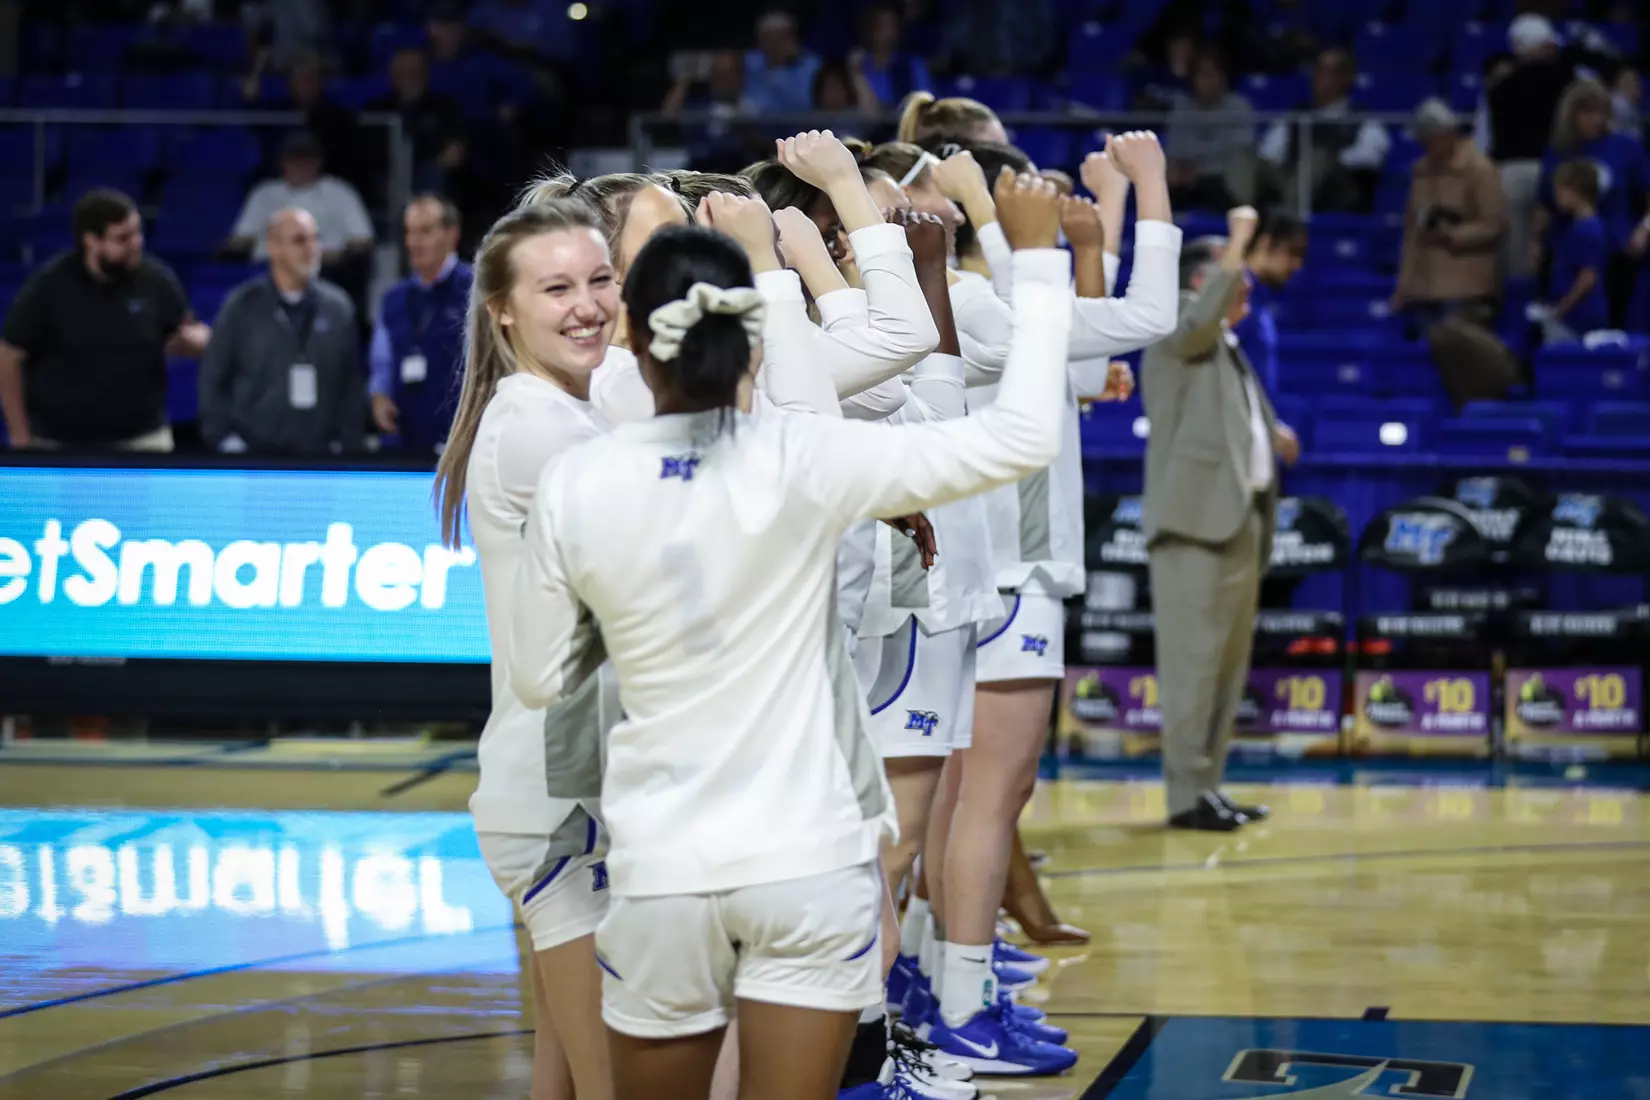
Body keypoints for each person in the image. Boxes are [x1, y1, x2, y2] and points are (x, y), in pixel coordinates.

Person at [506, 177, 1073, 1100]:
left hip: (664, 860)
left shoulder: (581, 477)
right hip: (803, 858)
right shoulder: (808, 455)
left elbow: (538, 677)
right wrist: (1041, 261)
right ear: (755, 338)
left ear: (636, 339)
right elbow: (1018, 435)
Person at [432, 196, 620, 1100]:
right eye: (557, 289)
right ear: (503, 309)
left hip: (563, 785)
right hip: (557, 797)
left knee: (563, 1083)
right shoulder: (543, 425)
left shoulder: (565, 406)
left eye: (600, 279)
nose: (587, 305)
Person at [1141, 210, 1294, 832]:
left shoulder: (1225, 347)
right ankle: (1184, 796)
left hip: (1236, 524)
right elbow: (1201, 318)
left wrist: (1271, 433)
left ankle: (1207, 788)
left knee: (1225, 673)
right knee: (1191, 670)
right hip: (1193, 530)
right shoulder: (1178, 327)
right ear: (1203, 282)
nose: (1248, 291)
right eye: (1236, 279)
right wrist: (1239, 239)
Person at [0, 189, 207, 451]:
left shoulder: (157, 281)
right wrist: (19, 432)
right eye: (123, 238)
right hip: (59, 442)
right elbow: (8, 356)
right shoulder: (49, 286)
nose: (136, 243)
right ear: (91, 240)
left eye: (137, 232)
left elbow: (188, 331)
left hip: (143, 440)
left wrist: (199, 342)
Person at [198, 208, 363, 455]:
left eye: (315, 238)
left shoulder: (338, 308)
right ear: (273, 247)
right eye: (300, 240)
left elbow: (351, 385)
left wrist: (347, 444)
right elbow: (212, 377)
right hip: (253, 456)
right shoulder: (242, 306)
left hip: (321, 458)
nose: (312, 248)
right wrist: (223, 439)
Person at [1390, 98, 1516, 407]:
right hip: (1424, 287)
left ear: (1448, 134)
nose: (1427, 148)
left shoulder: (1479, 169)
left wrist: (1454, 235)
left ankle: (1469, 421)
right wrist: (1404, 285)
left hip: (1465, 285)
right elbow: (1412, 234)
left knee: (1462, 363)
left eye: (1431, 141)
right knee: (1428, 367)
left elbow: (1495, 224)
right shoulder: (1420, 172)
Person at [1533, 78, 1650, 327]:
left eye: (1600, 112)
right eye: (1587, 112)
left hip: (1618, 252)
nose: (1595, 119)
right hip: (1569, 255)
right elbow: (1545, 204)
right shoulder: (1559, 152)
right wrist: (1535, 244)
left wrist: (1644, 230)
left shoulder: (1626, 147)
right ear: (1571, 114)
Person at [370, 195, 473, 453]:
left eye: (425, 231)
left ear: (452, 234)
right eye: (409, 232)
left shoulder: (476, 290)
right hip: (405, 438)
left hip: (460, 437)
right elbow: (381, 362)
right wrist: (378, 396)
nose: (414, 242)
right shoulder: (393, 298)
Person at [1485, 14, 1575, 277]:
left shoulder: (1499, 88)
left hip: (1510, 172)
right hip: (1554, 166)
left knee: (1515, 250)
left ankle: (1517, 302)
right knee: (1558, 236)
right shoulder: (1565, 80)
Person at [1256, 49, 1390, 213]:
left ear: (1346, 78)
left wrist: (1331, 158)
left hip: (1338, 192)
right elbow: (1268, 153)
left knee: (1319, 157)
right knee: (1247, 160)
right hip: (1289, 179)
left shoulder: (1363, 120)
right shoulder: (1296, 115)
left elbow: (1369, 158)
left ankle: (1290, 219)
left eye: (1329, 71)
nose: (1318, 77)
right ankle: (1241, 219)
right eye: (1317, 70)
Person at [1165, 48, 1257, 210]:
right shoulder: (1182, 108)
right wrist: (1187, 170)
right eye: (1202, 74)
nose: (1208, 81)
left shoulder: (1238, 107)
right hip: (1188, 181)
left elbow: (1240, 149)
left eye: (1213, 74)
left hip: (1224, 181)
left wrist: (1200, 170)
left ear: (1224, 77)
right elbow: (1176, 147)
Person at [1534, 159, 1611, 343]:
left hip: (1579, 317)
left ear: (1574, 191)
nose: (1555, 197)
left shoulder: (1587, 229)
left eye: (1559, 191)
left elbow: (1588, 277)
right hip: (1571, 314)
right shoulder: (1576, 226)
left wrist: (1561, 309)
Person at [1235, 211, 1308, 394]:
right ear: (1265, 243)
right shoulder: (1234, 298)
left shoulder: (1259, 301)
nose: (1297, 264)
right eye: (1293, 252)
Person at [744, 11, 821, 116]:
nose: (774, 45)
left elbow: (807, 103)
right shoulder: (750, 64)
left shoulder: (813, 67)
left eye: (781, 38)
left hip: (801, 126)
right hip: (758, 128)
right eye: (768, 39)